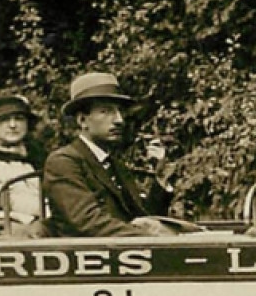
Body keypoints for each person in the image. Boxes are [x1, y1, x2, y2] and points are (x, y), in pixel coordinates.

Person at [42, 72, 176, 238]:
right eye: (106, 111)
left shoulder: (114, 165)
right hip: (87, 258)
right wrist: (147, 235)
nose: (119, 120)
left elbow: (142, 216)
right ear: (82, 120)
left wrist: (160, 180)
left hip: (122, 254)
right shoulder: (64, 162)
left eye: (120, 112)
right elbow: (87, 223)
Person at [0, 94, 46, 225]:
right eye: (4, 120)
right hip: (14, 227)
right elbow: (11, 200)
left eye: (19, 119)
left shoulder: (39, 159)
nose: (13, 125)